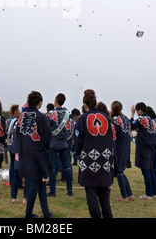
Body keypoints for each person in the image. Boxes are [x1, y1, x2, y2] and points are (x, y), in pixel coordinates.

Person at [75, 89, 114, 219]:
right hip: (105, 159)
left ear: (85, 105)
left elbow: (78, 140)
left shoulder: (82, 119)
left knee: (91, 194)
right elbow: (111, 140)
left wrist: (78, 152)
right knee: (104, 196)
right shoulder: (106, 118)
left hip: (89, 160)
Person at [16, 91, 53, 219]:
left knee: (41, 182)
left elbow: (17, 134)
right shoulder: (41, 117)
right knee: (34, 183)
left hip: (25, 152)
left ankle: (46, 211)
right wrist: (46, 147)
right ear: (39, 102)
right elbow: (47, 136)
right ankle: (28, 213)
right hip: (37, 154)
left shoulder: (22, 116)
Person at [47, 93, 74, 197]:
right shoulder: (67, 114)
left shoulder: (51, 113)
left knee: (53, 168)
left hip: (54, 141)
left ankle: (53, 191)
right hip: (64, 142)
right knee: (67, 166)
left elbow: (46, 127)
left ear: (56, 101)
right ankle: (70, 190)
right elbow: (71, 128)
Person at [130, 102, 156, 200]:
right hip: (152, 146)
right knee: (151, 169)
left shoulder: (142, 118)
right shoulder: (151, 120)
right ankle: (155, 192)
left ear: (140, 110)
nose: (137, 112)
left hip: (144, 146)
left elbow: (132, 125)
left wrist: (132, 114)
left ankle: (148, 194)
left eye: (137, 110)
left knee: (146, 170)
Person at [110, 101, 134, 202]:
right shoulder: (126, 119)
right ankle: (130, 194)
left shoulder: (114, 120)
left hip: (118, 147)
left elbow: (114, 134)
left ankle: (124, 196)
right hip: (126, 146)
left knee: (119, 172)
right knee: (121, 172)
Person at [6, 104, 21, 188]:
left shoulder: (8, 120)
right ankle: (16, 182)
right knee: (16, 164)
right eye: (18, 110)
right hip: (15, 144)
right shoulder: (16, 121)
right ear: (15, 111)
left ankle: (11, 181)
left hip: (9, 143)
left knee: (12, 163)